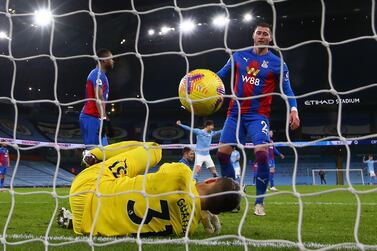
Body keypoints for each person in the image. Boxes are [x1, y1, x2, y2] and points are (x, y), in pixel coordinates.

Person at [63, 141, 240, 237]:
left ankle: (94, 154)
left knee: (154, 150)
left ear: (210, 180)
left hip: (87, 185)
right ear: (214, 211)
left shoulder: (182, 174)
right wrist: (201, 210)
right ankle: (71, 219)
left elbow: (166, 177)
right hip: (87, 225)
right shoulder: (187, 229)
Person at [215, 22, 300, 216]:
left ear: (270, 38)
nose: (261, 36)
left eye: (265, 34)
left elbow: (287, 90)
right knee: (222, 154)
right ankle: (234, 196)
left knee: (262, 154)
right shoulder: (238, 56)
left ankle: (259, 202)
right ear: (253, 35)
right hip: (234, 114)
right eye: (259, 33)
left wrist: (294, 110)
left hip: (258, 116)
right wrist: (201, 80)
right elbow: (219, 76)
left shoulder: (278, 63)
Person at [79, 48, 114, 147]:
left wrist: (107, 120)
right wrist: (104, 119)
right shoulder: (97, 74)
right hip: (90, 118)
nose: (112, 60)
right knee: (92, 154)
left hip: (96, 118)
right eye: (110, 58)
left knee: (103, 154)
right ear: (103, 60)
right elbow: (99, 98)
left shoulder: (101, 75)